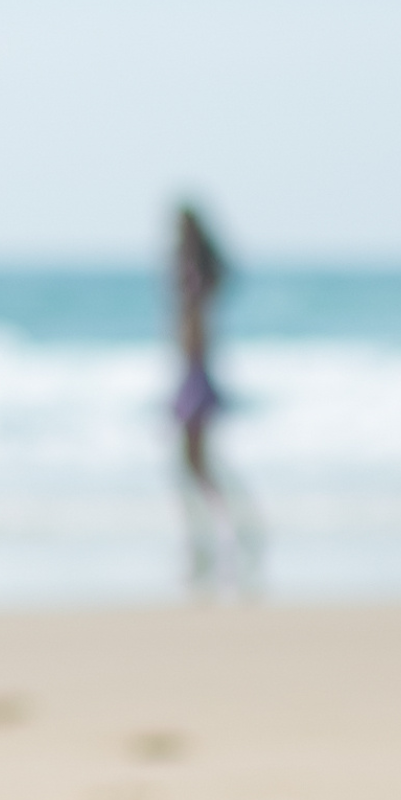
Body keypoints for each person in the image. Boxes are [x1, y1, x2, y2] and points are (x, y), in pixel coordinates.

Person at [168, 201, 258, 592]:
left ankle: (223, 537)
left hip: (195, 375)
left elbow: (195, 326)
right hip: (193, 372)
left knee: (195, 465)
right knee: (195, 464)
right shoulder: (194, 275)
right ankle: (219, 536)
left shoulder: (193, 275)